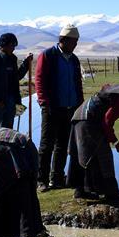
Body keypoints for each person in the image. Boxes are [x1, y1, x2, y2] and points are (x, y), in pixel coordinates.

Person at [67, 77, 119, 206]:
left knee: (90, 155)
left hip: (84, 116)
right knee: (99, 156)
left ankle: (88, 190)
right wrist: (115, 142)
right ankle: (110, 193)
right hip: (87, 120)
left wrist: (113, 140)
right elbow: (107, 122)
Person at [34, 25, 84, 191]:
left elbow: (77, 83)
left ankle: (56, 178)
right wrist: (43, 102)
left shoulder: (74, 59)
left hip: (70, 108)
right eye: (73, 41)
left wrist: (80, 104)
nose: (75, 44)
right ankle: (40, 179)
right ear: (63, 40)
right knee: (46, 144)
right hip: (51, 107)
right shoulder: (48, 55)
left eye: (77, 41)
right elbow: (39, 80)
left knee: (62, 145)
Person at [0, 33, 33, 129]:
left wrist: (26, 63)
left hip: (10, 99)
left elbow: (16, 77)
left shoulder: (12, 58)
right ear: (4, 45)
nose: (14, 48)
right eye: (12, 45)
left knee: (7, 129)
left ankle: (6, 144)